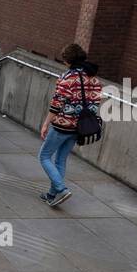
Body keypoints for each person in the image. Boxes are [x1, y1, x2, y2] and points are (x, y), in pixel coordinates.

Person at [38, 42, 102, 207]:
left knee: (44, 156)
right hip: (79, 127)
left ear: (68, 60)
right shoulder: (93, 78)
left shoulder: (67, 78)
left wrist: (46, 124)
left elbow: (56, 104)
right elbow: (95, 102)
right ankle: (52, 195)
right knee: (61, 160)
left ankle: (61, 189)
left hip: (62, 125)